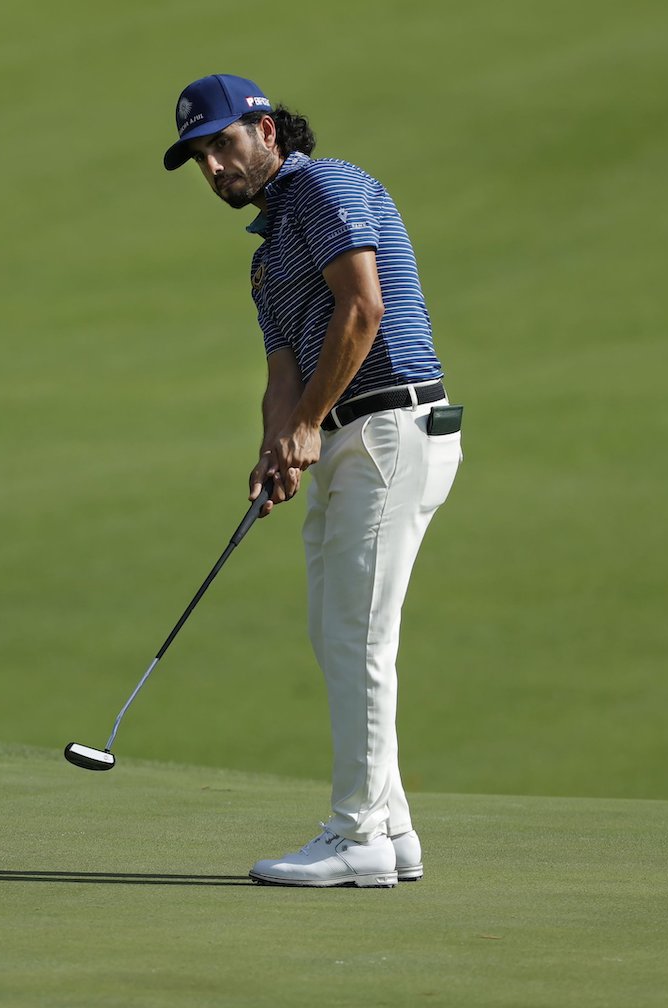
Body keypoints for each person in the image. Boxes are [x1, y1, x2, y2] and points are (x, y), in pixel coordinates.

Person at [163, 74, 463, 887]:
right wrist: (277, 442)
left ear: (266, 131)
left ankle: (355, 836)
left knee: (358, 634)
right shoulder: (267, 258)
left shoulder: (327, 187)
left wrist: (306, 426)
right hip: (348, 437)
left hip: (392, 425)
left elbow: (361, 310)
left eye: (224, 144)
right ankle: (392, 830)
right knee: (337, 633)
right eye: (200, 157)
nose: (215, 167)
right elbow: (283, 374)